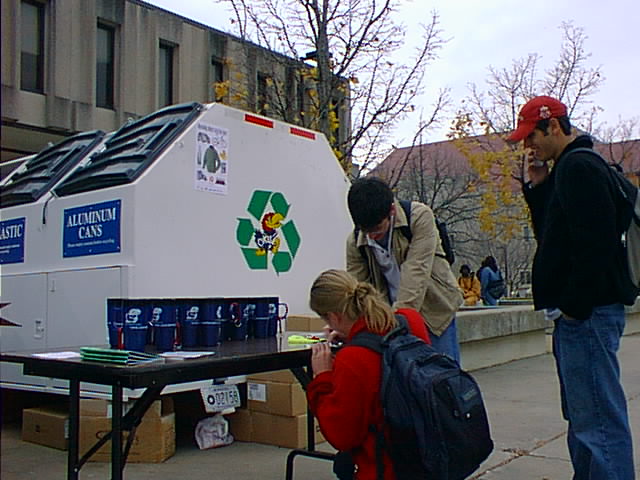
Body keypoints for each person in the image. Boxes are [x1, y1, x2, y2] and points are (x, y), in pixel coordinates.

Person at [508, 95, 635, 480]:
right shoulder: (567, 168)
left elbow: (594, 246)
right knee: (584, 418)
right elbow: (555, 237)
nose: (529, 146)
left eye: (533, 137)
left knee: (597, 420)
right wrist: (540, 188)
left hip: (589, 315)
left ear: (555, 126)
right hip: (583, 315)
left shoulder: (579, 167)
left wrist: (574, 306)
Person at [306, 269, 431, 480]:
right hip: (429, 456)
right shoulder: (410, 321)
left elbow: (342, 436)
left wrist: (322, 377)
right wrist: (351, 336)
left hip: (387, 468)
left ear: (334, 316)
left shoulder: (353, 358)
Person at [345, 177, 463, 362]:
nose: (372, 237)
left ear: (392, 210)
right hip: (390, 316)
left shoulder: (419, 217)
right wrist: (346, 324)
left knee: (443, 378)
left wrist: (398, 321)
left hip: (434, 312)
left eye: (378, 229)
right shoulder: (355, 241)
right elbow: (358, 289)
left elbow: (416, 271)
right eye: (366, 231)